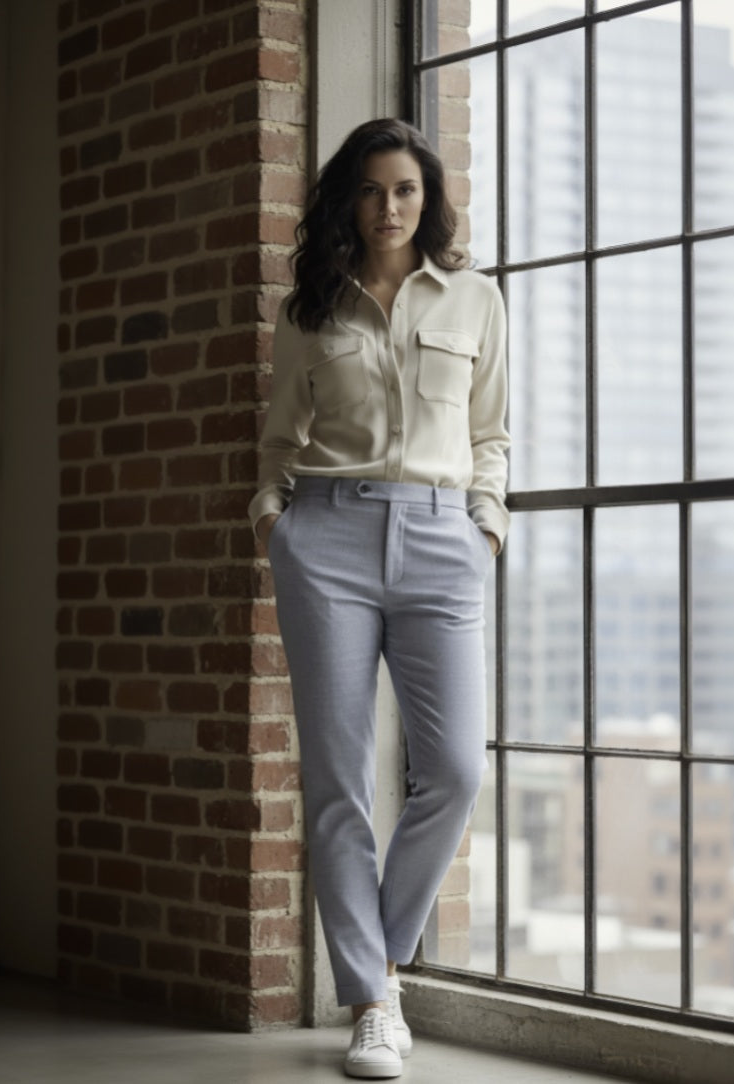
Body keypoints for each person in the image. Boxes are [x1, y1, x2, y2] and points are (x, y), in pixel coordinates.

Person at [248, 117, 509, 1079]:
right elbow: (280, 440)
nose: (388, 207)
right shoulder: (311, 307)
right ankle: (369, 1002)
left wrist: (486, 528)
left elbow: (492, 434)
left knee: (456, 770)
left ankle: (381, 965)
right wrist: (274, 521)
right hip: (328, 538)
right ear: (346, 202)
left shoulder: (476, 299)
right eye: (369, 190)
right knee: (338, 780)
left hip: (443, 540)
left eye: (405, 189)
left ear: (427, 198)